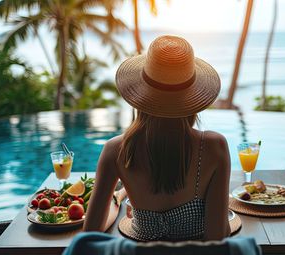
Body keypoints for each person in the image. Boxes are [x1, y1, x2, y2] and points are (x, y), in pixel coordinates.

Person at [83, 35, 231, 241]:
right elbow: (217, 238)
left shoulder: (116, 149)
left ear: (140, 96)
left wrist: (116, 202)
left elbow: (90, 234)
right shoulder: (215, 147)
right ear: (192, 100)